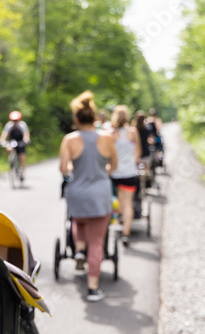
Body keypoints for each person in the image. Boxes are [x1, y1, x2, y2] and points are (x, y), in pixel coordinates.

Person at [59, 90, 117, 302]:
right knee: (98, 241)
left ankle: (79, 251)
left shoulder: (69, 139)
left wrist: (76, 169)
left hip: (77, 194)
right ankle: (93, 288)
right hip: (100, 194)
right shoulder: (106, 138)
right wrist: (101, 172)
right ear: (95, 118)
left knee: (78, 220)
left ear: (76, 119)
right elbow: (114, 166)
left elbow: (64, 168)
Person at [110, 105, 141, 247]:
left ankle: (119, 218)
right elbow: (138, 153)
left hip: (115, 173)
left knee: (118, 200)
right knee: (128, 203)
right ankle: (126, 233)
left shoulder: (111, 133)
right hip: (129, 173)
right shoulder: (133, 132)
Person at [0, 111, 30, 180]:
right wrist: (2, 141)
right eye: (13, 120)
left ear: (19, 120)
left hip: (21, 142)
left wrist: (26, 140)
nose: (15, 122)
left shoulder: (23, 125)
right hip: (12, 142)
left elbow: (26, 135)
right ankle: (11, 160)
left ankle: (22, 173)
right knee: (9, 148)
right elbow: (4, 135)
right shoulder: (9, 125)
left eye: (16, 120)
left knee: (22, 158)